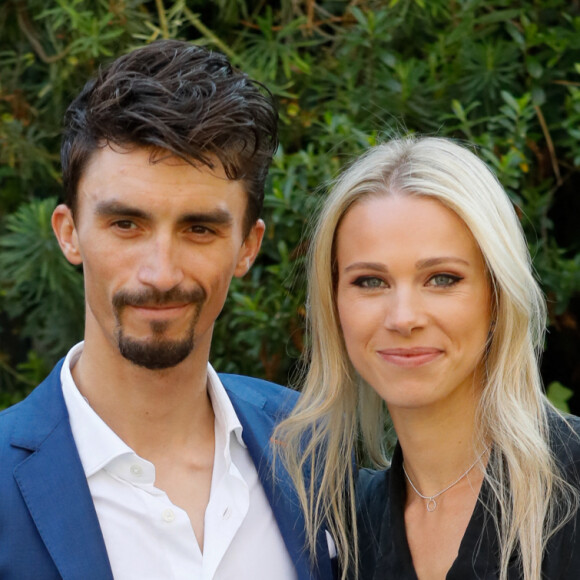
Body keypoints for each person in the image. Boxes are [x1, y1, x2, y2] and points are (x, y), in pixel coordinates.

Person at [0, 39, 335, 580]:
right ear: (69, 234)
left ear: (248, 246)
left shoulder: (313, 446)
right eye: (125, 224)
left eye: (199, 229)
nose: (160, 273)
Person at [274, 136, 580, 579]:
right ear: (333, 302)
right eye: (370, 282)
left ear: (497, 297)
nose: (403, 318)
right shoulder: (343, 534)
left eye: (441, 278)